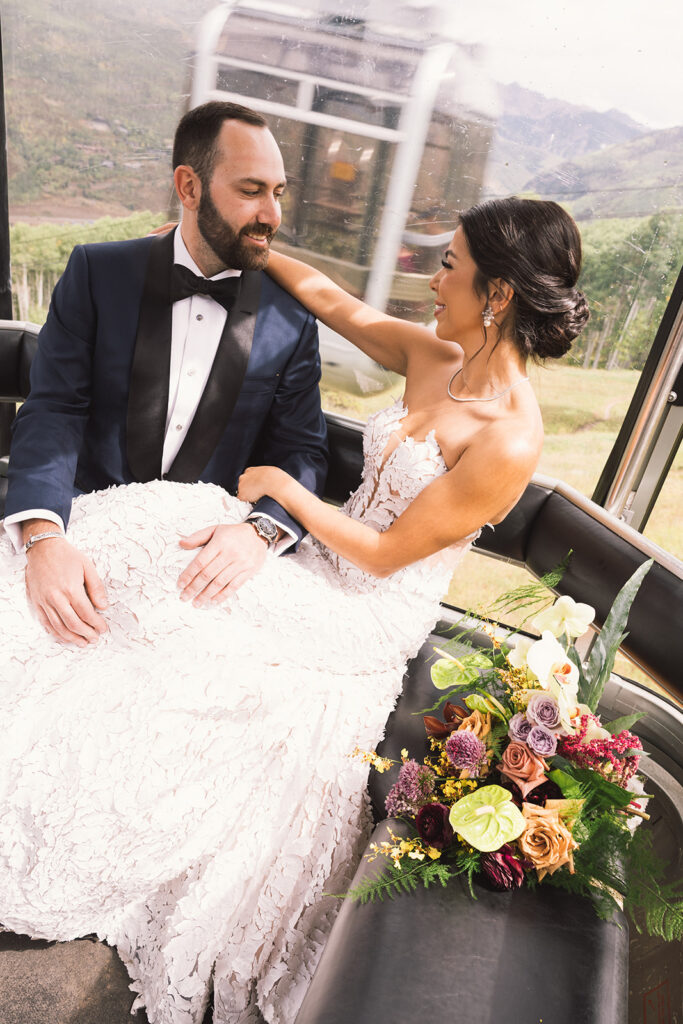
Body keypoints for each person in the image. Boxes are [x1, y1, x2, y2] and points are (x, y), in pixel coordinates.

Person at [0, 197, 588, 1024]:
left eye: (448, 263)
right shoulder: (431, 354)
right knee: (157, 524)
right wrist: (259, 249)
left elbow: (386, 555)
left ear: (495, 293)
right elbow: (332, 302)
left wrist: (279, 492)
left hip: (368, 609)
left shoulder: (510, 438)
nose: (431, 275)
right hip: (321, 561)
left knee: (182, 571)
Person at [3, 100, 328, 646]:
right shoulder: (97, 272)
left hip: (195, 576)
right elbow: (54, 410)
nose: (272, 214)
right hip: (76, 534)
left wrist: (261, 532)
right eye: (251, 190)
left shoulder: (292, 317)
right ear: (189, 186)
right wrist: (42, 541)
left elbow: (303, 451)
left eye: (279, 193)